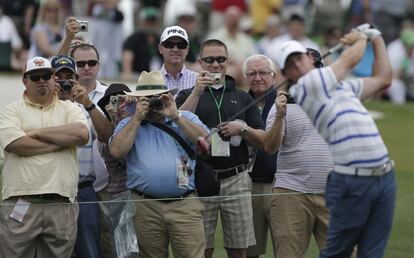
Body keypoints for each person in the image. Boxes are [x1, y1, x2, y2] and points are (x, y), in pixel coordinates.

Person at [274, 27, 396, 258]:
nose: (298, 66)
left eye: (299, 59)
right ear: (287, 74)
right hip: (352, 179)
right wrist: (361, 36)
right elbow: (350, 58)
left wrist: (377, 36)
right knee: (338, 252)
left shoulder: (344, 87)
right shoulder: (306, 88)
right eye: (291, 65)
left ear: (310, 58)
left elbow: (383, 79)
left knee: (371, 253)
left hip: (385, 177)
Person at [176, 39, 265, 258]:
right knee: (201, 246)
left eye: (220, 59)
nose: (215, 65)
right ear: (199, 62)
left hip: (236, 176)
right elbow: (176, 123)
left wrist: (242, 129)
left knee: (238, 246)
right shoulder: (187, 94)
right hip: (198, 177)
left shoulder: (244, 97)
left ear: (228, 62)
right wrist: (197, 91)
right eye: (209, 60)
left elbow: (263, 139)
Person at [109, 70, 209, 258]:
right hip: (145, 205)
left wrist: (176, 116)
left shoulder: (183, 117)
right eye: (147, 98)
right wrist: (137, 118)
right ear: (138, 100)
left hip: (184, 203)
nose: (153, 104)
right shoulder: (129, 124)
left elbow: (207, 142)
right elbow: (116, 151)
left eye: (157, 98)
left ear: (167, 96)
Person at [0, 56, 89, 258]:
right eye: (35, 77)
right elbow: (16, 144)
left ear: (53, 78)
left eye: (46, 75)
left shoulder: (70, 108)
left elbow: (82, 135)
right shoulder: (11, 110)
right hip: (21, 200)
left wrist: (34, 133)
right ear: (25, 81)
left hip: (61, 202)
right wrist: (60, 142)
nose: (41, 80)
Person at [262, 49, 334, 257]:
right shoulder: (281, 104)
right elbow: (270, 147)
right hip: (291, 194)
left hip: (334, 192)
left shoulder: (335, 100)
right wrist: (279, 116)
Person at [69, 44, 114, 258]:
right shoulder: (59, 95)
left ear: (99, 65)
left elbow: (108, 135)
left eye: (92, 63)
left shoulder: (112, 94)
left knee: (106, 244)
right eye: (80, 63)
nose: (86, 67)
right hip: (70, 183)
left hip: (106, 183)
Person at [241, 54, 278, 258]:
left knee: (286, 248)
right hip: (249, 187)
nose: (257, 77)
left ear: (273, 76)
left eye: (263, 72)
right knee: (249, 251)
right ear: (245, 77)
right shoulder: (238, 103)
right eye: (251, 73)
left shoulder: (285, 103)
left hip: (280, 186)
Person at [121, 7, 162, 81]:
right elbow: (127, 57)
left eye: (153, 22)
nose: (151, 24)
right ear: (142, 22)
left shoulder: (161, 39)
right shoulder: (133, 39)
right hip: (138, 76)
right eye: (148, 21)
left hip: (158, 76)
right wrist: (128, 76)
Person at [159, 25, 198, 92]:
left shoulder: (197, 80)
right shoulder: (149, 81)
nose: (175, 49)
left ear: (187, 50)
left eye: (181, 45)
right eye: (169, 44)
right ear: (160, 49)